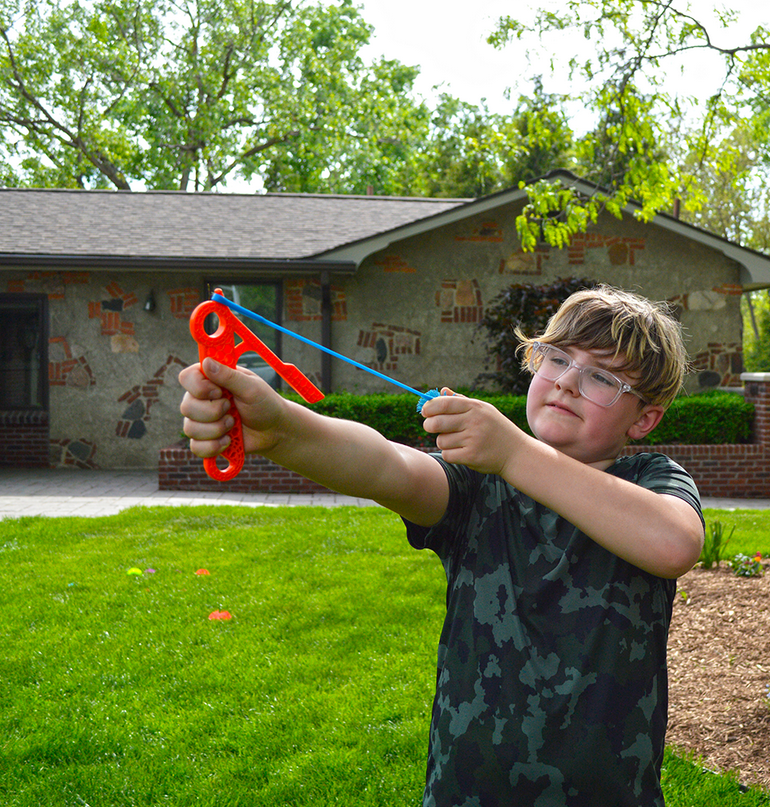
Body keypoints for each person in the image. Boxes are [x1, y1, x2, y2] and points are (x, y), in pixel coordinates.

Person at [179, 284, 704, 807]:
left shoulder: (649, 481)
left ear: (643, 419)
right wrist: (280, 428)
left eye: (601, 377)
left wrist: (512, 452)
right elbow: (385, 465)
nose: (567, 382)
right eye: (557, 357)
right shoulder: (479, 484)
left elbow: (674, 543)